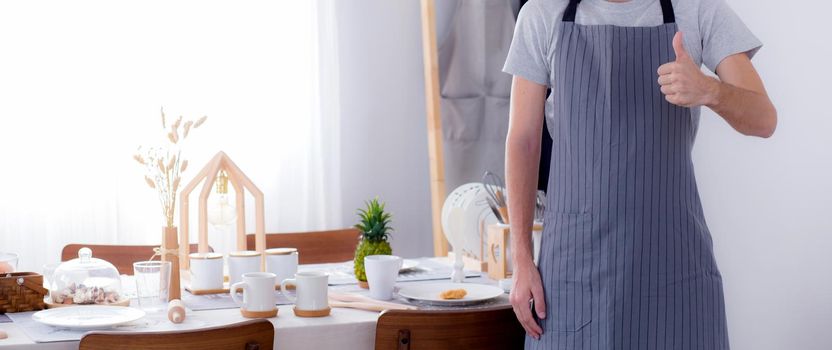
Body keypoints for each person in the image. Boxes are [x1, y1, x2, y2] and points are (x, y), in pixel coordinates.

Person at [503, 0, 776, 348]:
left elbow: (764, 120)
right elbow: (523, 142)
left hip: (674, 270)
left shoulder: (696, 11)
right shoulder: (544, 14)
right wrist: (522, 260)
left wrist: (710, 90)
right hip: (575, 273)